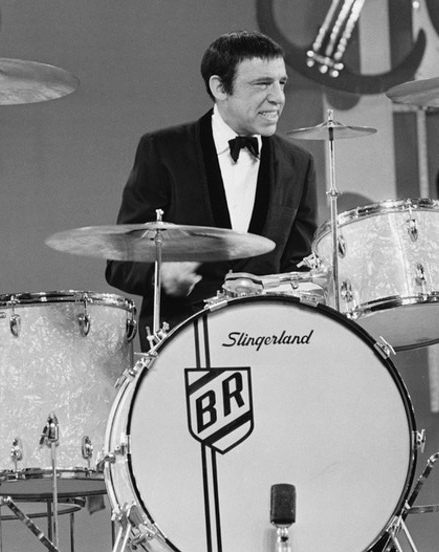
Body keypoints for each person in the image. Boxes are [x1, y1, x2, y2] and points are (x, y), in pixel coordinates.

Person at [105, 30, 318, 344]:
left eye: (281, 83)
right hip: (181, 341)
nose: (278, 97)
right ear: (220, 87)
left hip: (269, 342)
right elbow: (121, 263)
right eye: (262, 84)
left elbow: (295, 267)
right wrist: (162, 277)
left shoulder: (299, 163)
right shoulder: (163, 150)